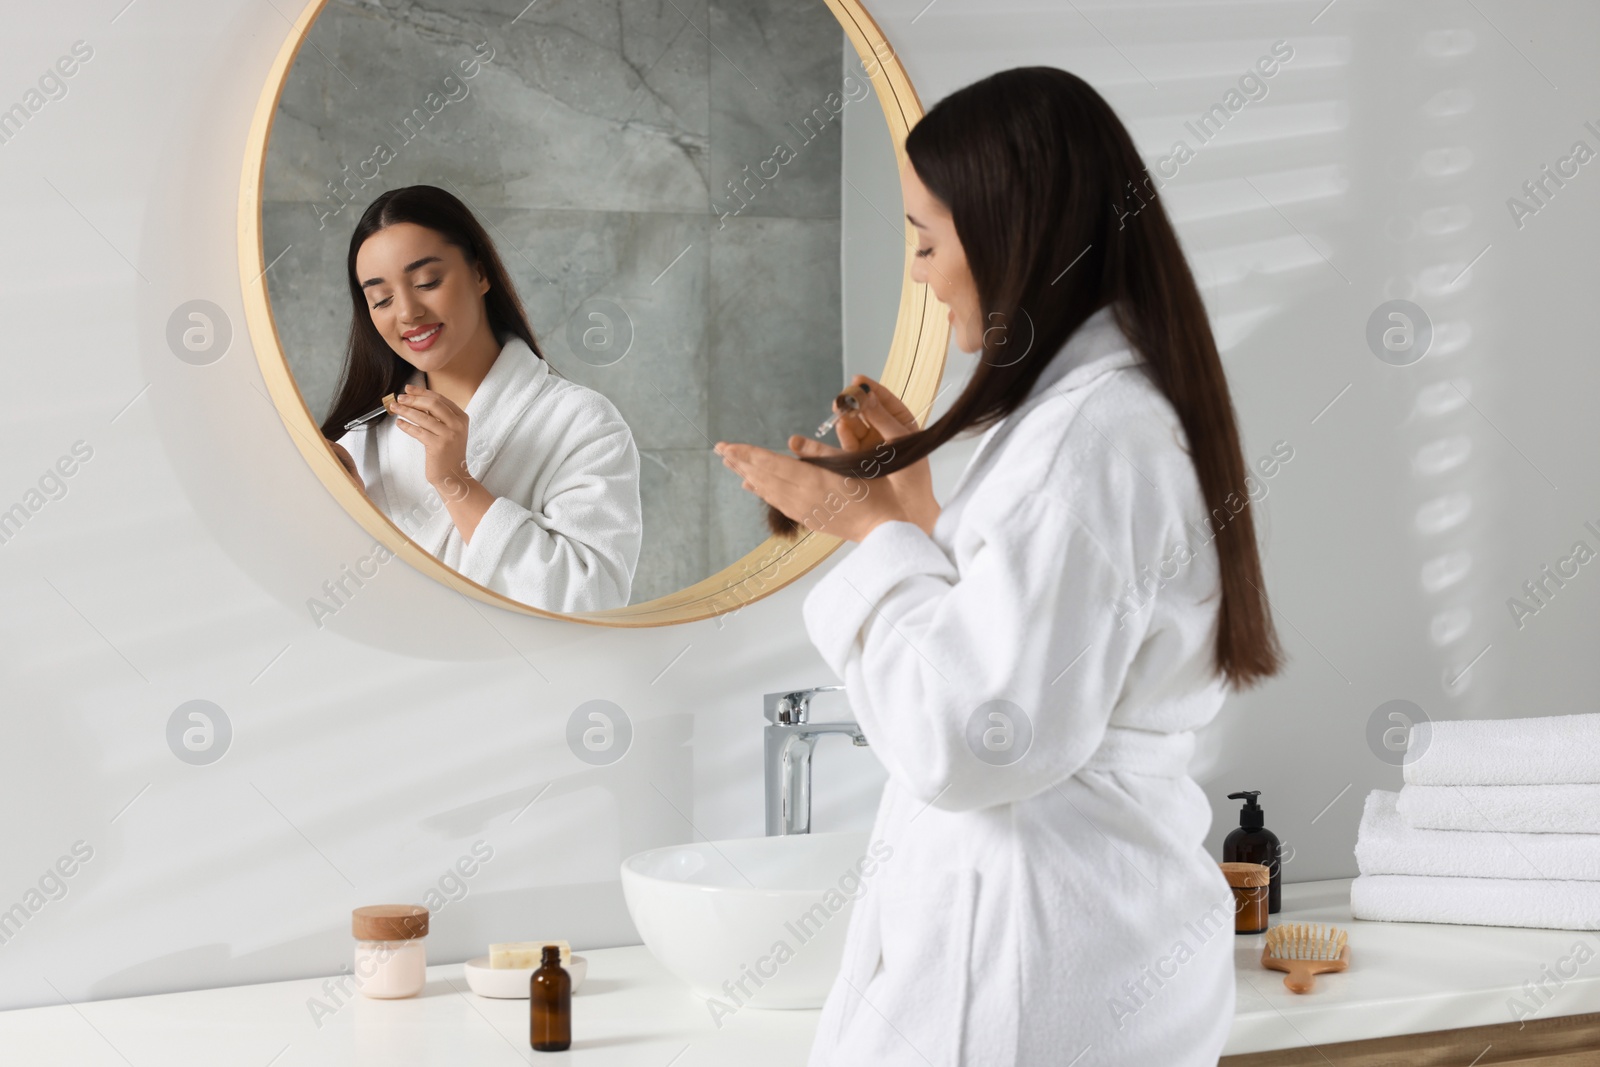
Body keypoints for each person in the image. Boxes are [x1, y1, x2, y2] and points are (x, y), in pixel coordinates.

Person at [715, 67, 1284, 1066]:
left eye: (927, 239)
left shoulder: (1090, 437)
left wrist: (867, 532)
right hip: (1089, 948)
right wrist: (923, 515)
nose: (923, 275)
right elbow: (1043, 640)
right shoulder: (1099, 420)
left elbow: (981, 733)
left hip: (1040, 969)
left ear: (1011, 232)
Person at [322, 185, 641, 613]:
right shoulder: (359, 443)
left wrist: (456, 482)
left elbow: (591, 600)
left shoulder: (582, 423)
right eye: (382, 299)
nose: (407, 312)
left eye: (427, 281)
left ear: (480, 273)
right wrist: (338, 512)